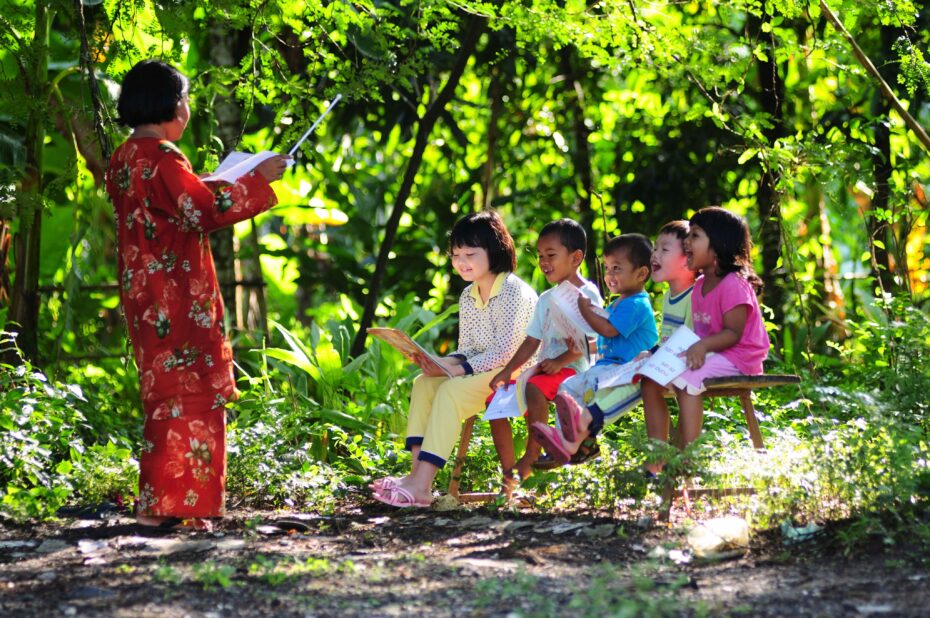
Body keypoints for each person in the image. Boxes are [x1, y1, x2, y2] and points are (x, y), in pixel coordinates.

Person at [105, 60, 290, 530]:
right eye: (185, 98)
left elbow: (172, 205)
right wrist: (260, 177)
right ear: (170, 105)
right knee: (194, 393)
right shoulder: (164, 156)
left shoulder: (125, 156)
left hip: (143, 294)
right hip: (178, 295)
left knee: (163, 394)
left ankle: (163, 505)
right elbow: (203, 209)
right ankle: (181, 507)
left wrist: (207, 180)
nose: (187, 107)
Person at [370, 211, 537, 508]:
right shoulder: (468, 294)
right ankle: (417, 477)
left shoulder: (513, 290)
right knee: (424, 383)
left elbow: (507, 353)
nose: (462, 261)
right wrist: (437, 362)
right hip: (486, 371)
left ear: (494, 250)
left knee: (450, 391)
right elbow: (468, 348)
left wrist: (457, 370)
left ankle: (420, 486)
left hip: (518, 373)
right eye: (456, 254)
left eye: (470, 253)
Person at [641, 207, 769, 473]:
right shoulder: (699, 286)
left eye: (695, 236)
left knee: (688, 376)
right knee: (652, 377)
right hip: (716, 353)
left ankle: (687, 455)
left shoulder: (734, 284)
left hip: (741, 357)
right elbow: (701, 333)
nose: (687, 243)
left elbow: (733, 333)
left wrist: (701, 347)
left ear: (718, 245)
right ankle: (659, 456)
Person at [488, 219, 602, 489]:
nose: (543, 262)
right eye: (540, 256)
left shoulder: (587, 294)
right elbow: (531, 341)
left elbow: (592, 339)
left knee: (536, 388)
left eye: (551, 255)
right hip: (546, 369)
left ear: (576, 258)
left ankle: (533, 453)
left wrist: (560, 361)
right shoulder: (546, 299)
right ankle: (510, 475)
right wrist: (507, 371)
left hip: (576, 370)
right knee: (495, 400)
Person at [530, 234, 658, 463]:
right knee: (567, 387)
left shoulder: (637, 304)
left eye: (617, 268)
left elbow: (609, 331)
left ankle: (577, 443)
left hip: (627, 368)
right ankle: (569, 443)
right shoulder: (618, 303)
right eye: (607, 268)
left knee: (592, 388)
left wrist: (585, 311)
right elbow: (604, 343)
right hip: (607, 365)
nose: (610, 275)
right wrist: (582, 344)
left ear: (641, 273)